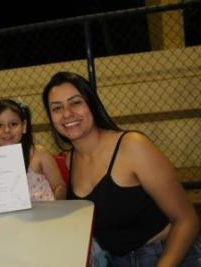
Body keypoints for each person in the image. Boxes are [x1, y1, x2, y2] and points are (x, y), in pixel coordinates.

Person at [42, 71, 201, 266]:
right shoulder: (69, 161)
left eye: (75, 102)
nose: (67, 113)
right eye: (57, 108)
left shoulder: (132, 146)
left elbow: (187, 221)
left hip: (167, 254)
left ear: (91, 104)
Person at [0, 99, 66, 200]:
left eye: (13, 124)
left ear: (24, 126)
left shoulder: (38, 153)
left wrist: (54, 209)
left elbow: (59, 186)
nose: (7, 130)